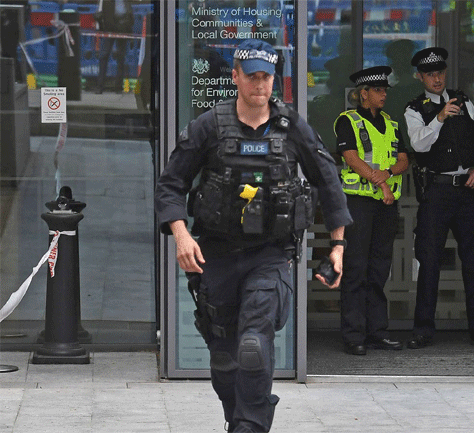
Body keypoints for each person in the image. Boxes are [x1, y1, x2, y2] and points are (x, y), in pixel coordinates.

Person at [155, 39, 352, 433]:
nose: (260, 84)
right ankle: (239, 420)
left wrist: (338, 245)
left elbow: (329, 182)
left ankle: (250, 426)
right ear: (235, 77)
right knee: (224, 361)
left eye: (266, 76)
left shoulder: (292, 127)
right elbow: (171, 184)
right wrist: (180, 234)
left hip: (270, 254)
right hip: (216, 255)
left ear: (274, 79)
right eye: (252, 76)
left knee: (254, 346)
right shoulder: (209, 126)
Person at [404, 47, 474, 349]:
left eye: (440, 73)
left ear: (445, 73)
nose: (436, 79)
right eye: (430, 74)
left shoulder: (464, 101)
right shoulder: (415, 109)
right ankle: (423, 330)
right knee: (429, 262)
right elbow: (419, 145)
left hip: (468, 190)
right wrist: (438, 117)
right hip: (437, 192)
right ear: (420, 77)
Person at [334, 66, 409, 355]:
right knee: (356, 268)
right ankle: (354, 335)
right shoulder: (348, 121)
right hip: (358, 204)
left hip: (385, 207)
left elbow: (404, 160)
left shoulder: (391, 123)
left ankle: (377, 332)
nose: (383, 94)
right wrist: (383, 183)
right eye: (378, 90)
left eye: (385, 90)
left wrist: (387, 173)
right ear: (363, 94)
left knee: (379, 269)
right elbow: (351, 158)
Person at [95, 0, 136, 94]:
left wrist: (130, 33)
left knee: (120, 58)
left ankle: (118, 87)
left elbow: (129, 15)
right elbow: (100, 13)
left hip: (123, 28)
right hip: (109, 29)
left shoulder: (126, 2)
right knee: (103, 56)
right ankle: (100, 86)